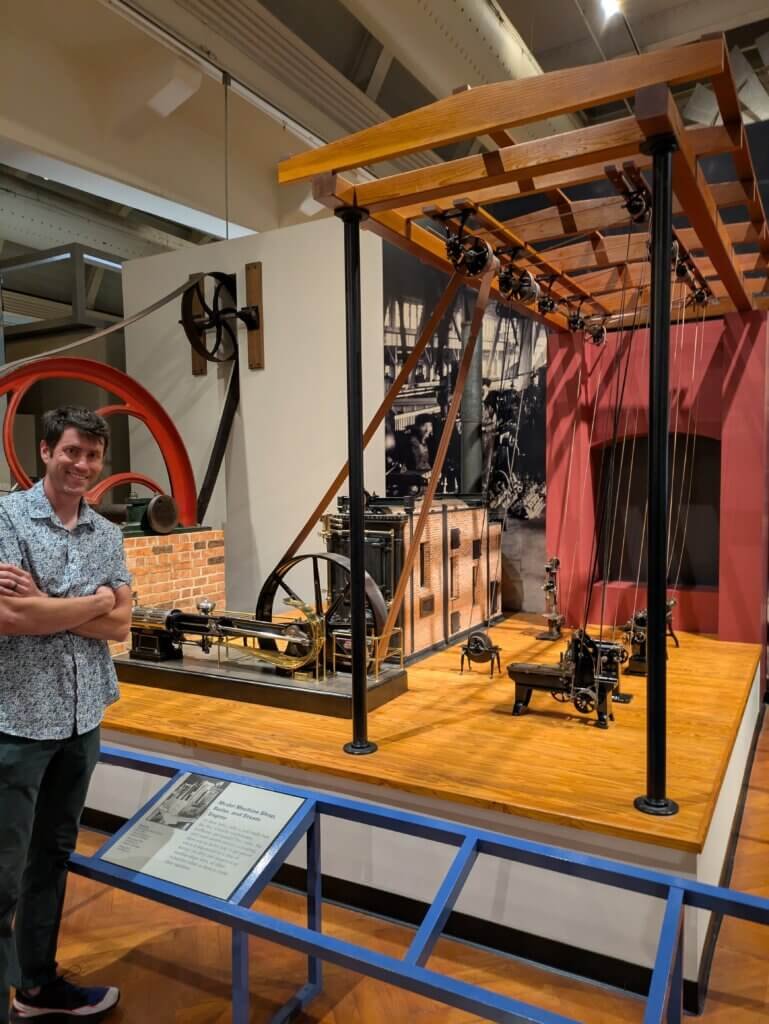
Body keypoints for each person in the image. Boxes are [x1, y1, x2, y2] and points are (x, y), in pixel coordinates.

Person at [0, 407, 132, 1022]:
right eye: (72, 451)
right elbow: (10, 618)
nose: (82, 465)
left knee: (51, 857)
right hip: (18, 722)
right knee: (2, 875)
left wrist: (49, 606)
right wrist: (95, 602)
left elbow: (122, 626)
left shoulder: (106, 534)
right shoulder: (6, 519)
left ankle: (36, 986)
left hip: (82, 722)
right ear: (46, 450)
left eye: (93, 455)